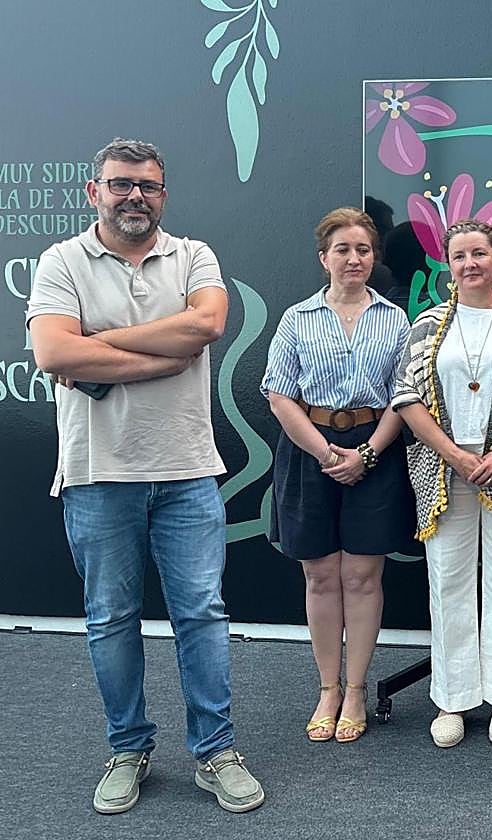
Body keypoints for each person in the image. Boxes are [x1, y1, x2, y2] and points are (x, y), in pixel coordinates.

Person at [26, 138, 264, 814]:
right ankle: (128, 748)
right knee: (111, 619)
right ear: (93, 191)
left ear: (165, 194)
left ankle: (215, 751)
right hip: (98, 474)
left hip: (187, 470)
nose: (135, 195)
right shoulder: (61, 261)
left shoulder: (194, 256)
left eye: (149, 186)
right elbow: (50, 350)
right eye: (121, 183)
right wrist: (162, 350)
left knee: (203, 614)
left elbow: (209, 323)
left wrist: (94, 347)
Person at [392, 219, 492, 748]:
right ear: (448, 264)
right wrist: (456, 455)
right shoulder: (427, 325)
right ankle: (453, 698)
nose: (470, 264)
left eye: (480, 254)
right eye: (459, 255)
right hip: (444, 470)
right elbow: (406, 398)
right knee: (448, 581)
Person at [260, 207, 413, 744]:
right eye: (343, 250)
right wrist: (328, 453)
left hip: (375, 453)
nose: (355, 259)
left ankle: (356, 690)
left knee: (361, 578)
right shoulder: (296, 319)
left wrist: (366, 454)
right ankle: (327, 688)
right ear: (324, 258)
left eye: (364, 250)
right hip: (310, 453)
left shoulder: (396, 321)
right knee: (321, 577)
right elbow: (279, 394)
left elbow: (405, 397)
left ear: (375, 259)